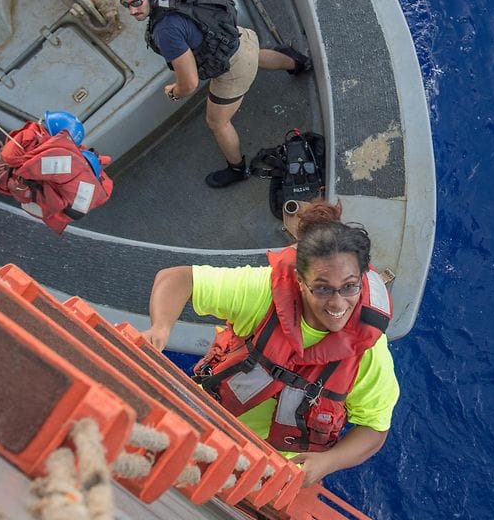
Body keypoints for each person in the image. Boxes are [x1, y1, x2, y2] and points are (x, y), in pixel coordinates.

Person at [142, 201, 398, 487]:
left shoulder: (368, 351)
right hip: (200, 419)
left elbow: (375, 427)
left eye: (349, 287)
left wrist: (328, 462)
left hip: (270, 471)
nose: (338, 303)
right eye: (323, 288)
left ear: (362, 280)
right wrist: (160, 329)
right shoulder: (264, 294)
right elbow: (178, 279)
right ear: (300, 280)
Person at [113, 0, 312, 188]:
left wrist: (174, 92)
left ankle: (238, 169)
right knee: (253, 55)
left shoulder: (166, 31)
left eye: (136, 2)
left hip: (232, 70)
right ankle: (298, 62)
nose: (132, 10)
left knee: (217, 122)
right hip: (240, 38)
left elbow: (189, 83)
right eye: (125, 4)